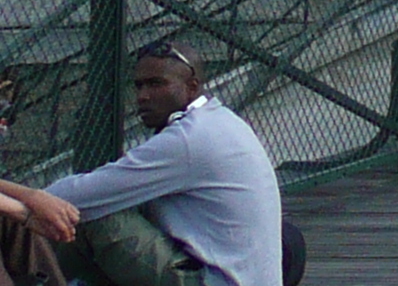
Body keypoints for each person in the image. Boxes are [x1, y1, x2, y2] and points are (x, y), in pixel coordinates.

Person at [1, 44, 281, 286]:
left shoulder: (188, 139)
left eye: (156, 84)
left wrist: (27, 201)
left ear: (192, 86)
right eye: (138, 85)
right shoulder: (221, 120)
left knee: (89, 216)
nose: (143, 96)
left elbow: (70, 198)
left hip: (209, 280)